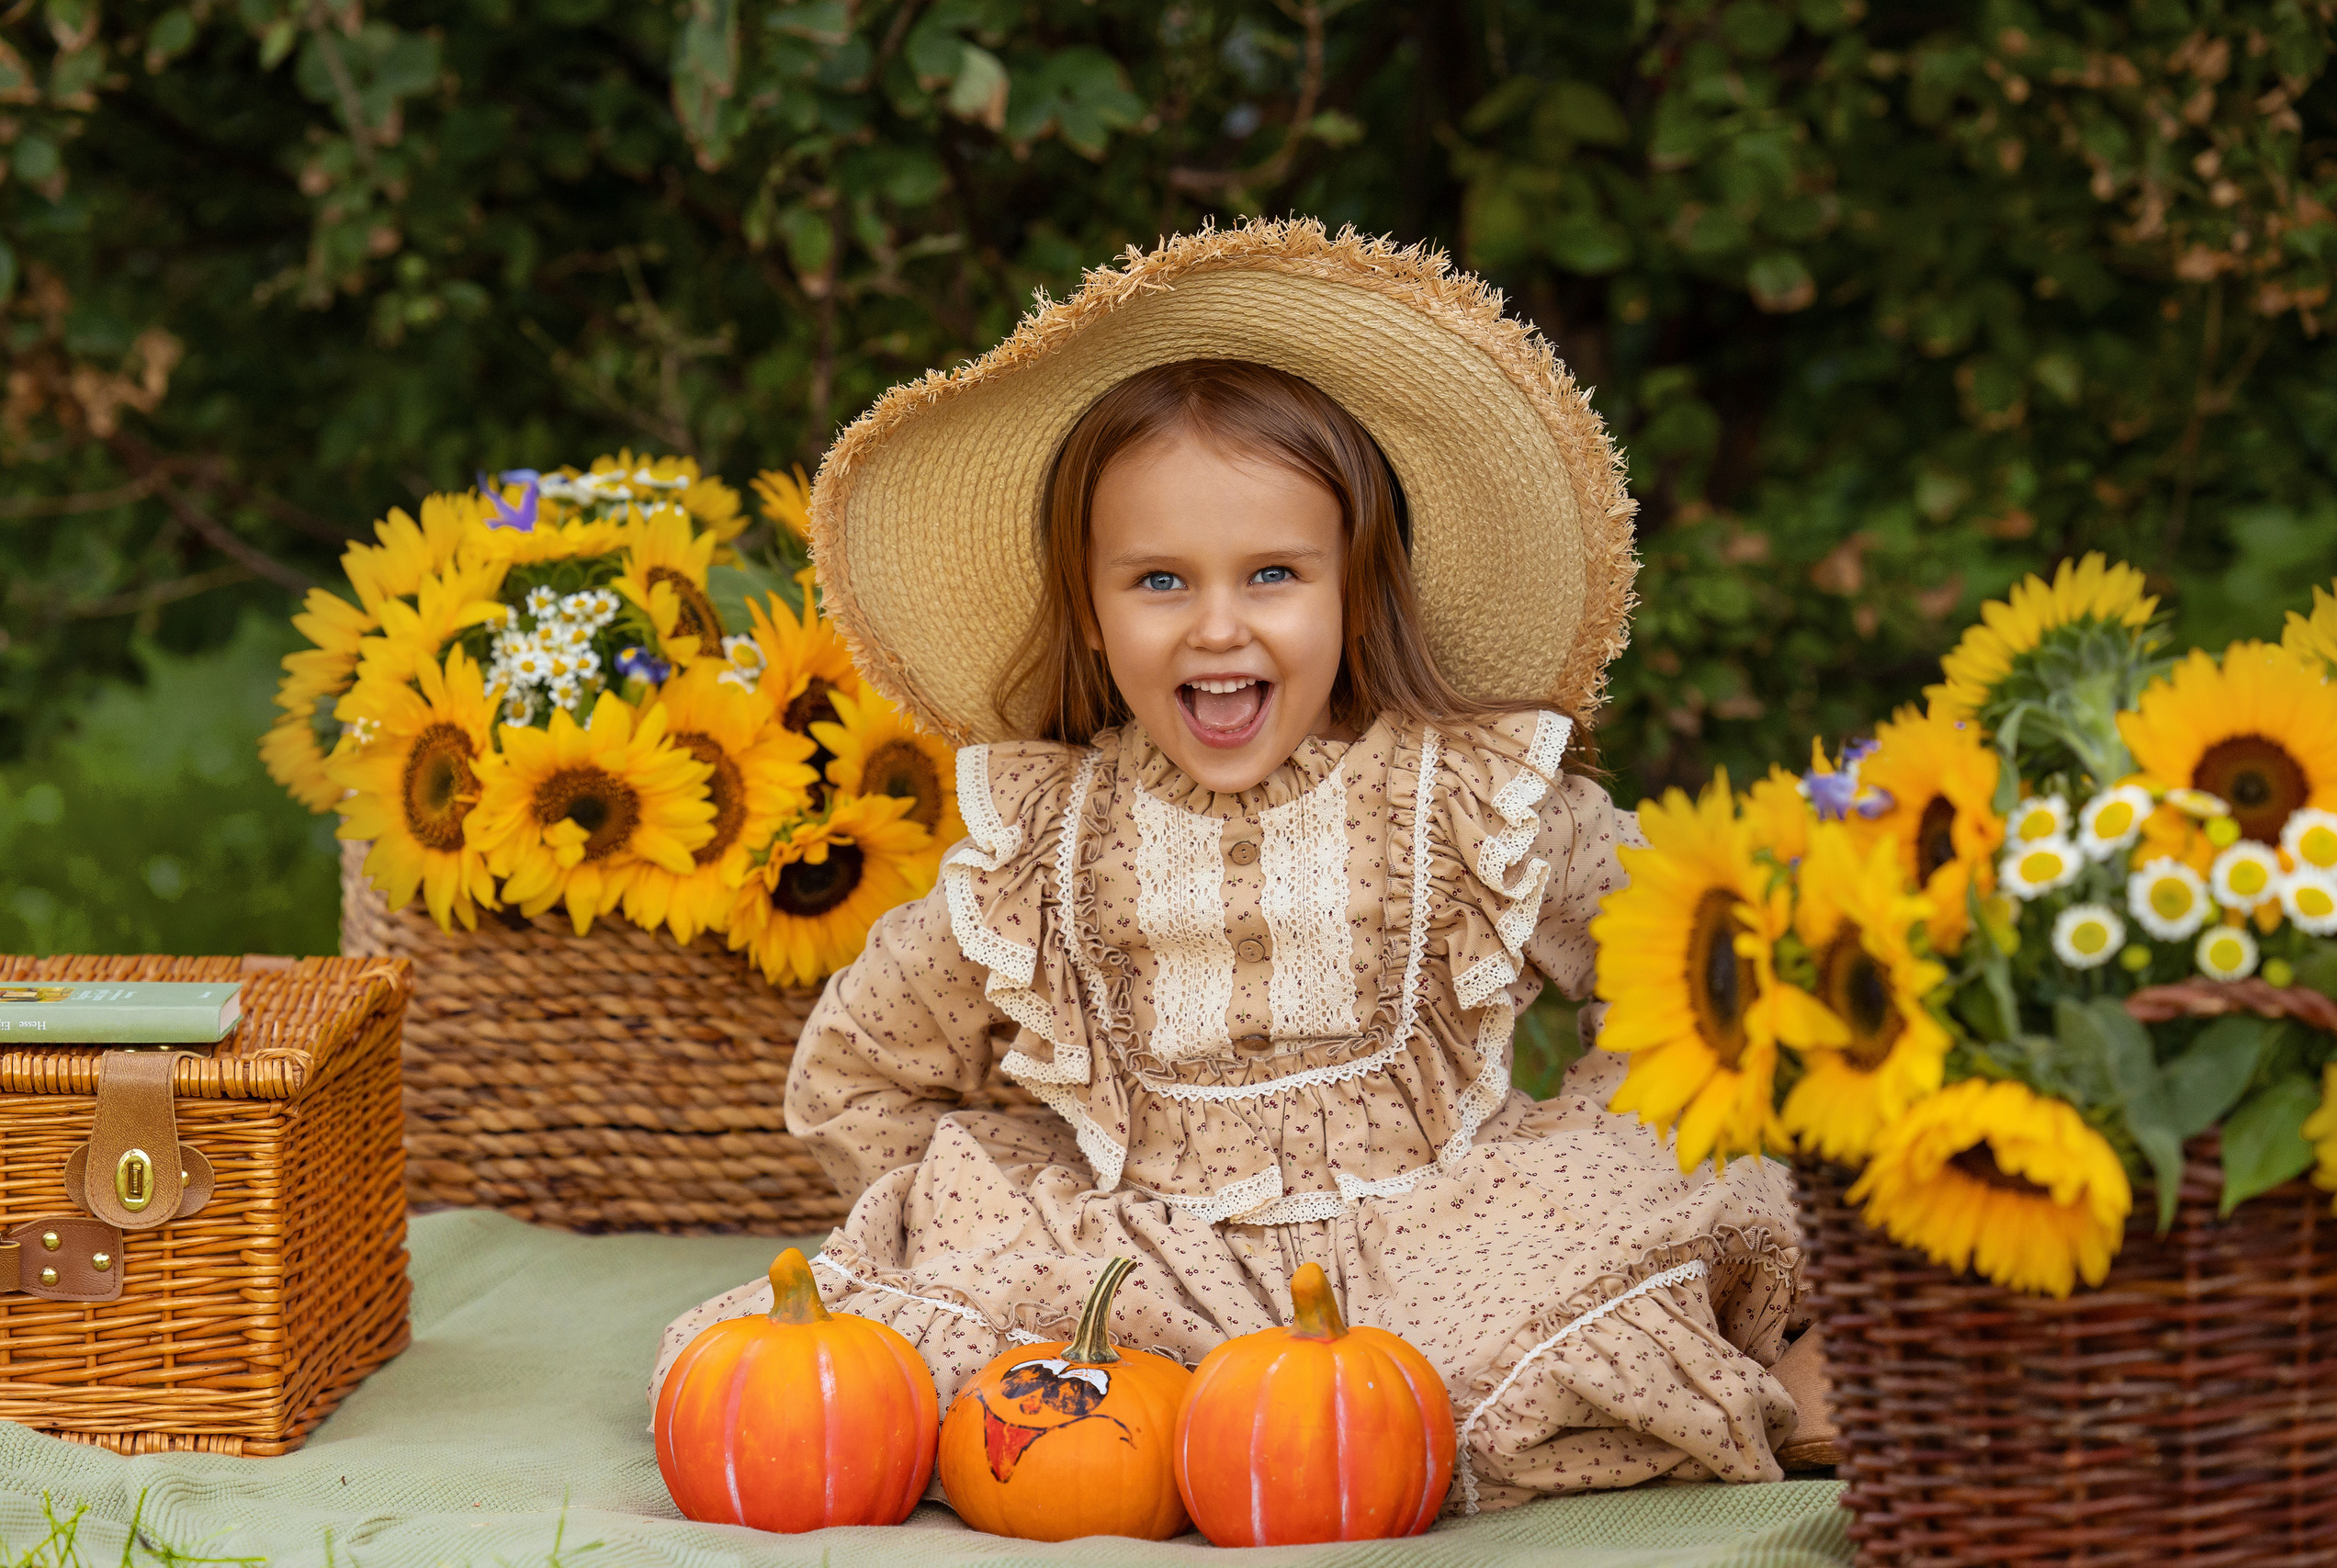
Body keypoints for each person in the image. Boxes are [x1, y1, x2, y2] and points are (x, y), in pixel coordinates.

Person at [653, 219, 1830, 1513]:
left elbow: (1680, 953)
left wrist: (1597, 1126)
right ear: (1094, 621)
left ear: (1353, 592)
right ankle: (1213, 1435)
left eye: (1274, 573)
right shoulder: (1047, 844)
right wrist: (1010, 1183)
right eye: (1160, 579)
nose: (1219, 624)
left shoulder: (1461, 798)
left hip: (1443, 1240)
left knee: (1651, 1193)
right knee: (990, 1308)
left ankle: (1639, 1376)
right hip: (1160, 1267)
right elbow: (861, 1067)